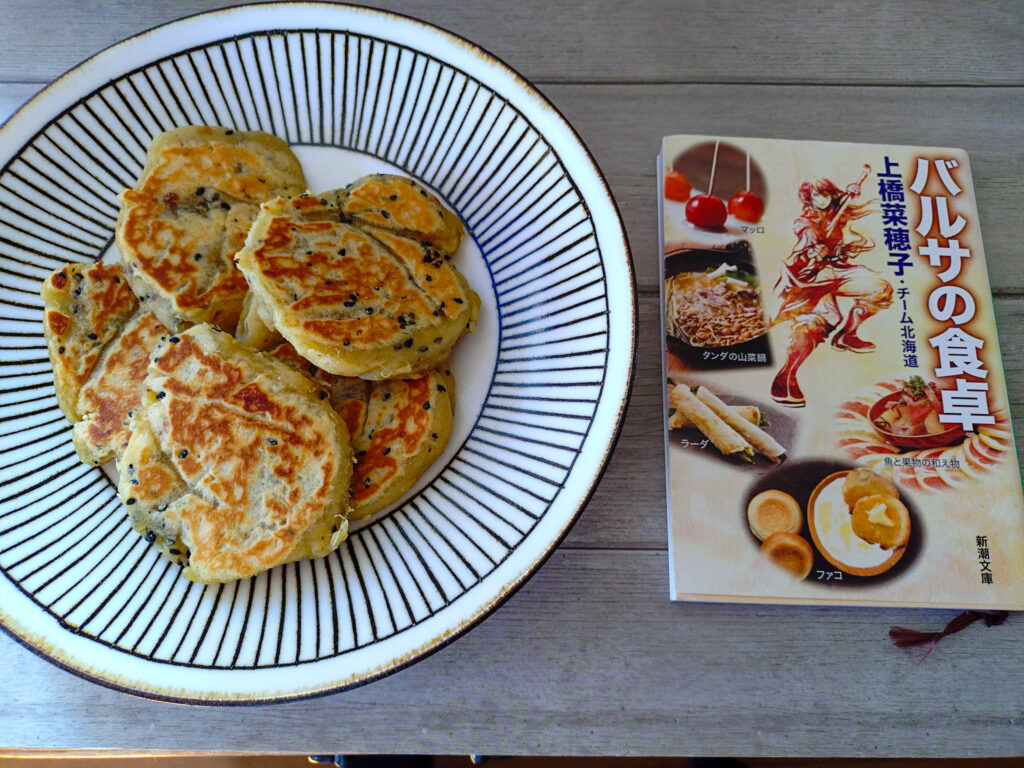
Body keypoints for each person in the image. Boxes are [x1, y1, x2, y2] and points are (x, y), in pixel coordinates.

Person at [770, 170, 893, 407]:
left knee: (879, 289)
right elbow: (806, 236)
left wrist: (851, 191)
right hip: (813, 278)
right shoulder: (806, 221)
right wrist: (812, 249)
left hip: (838, 270)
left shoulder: (836, 210)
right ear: (808, 199)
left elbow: (843, 203)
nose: (823, 198)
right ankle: (785, 377)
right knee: (814, 324)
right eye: (817, 195)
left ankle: (847, 334)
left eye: (826, 193)